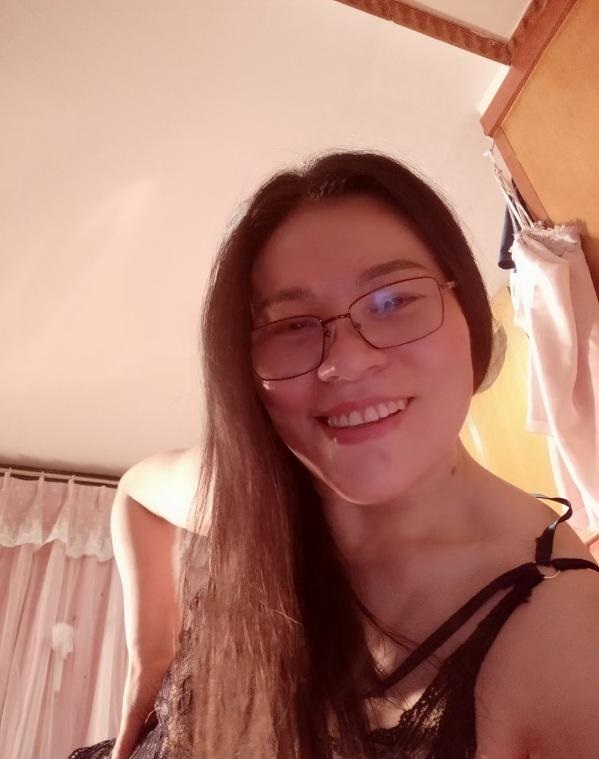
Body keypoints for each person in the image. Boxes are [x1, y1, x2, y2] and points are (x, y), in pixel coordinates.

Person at [69, 151, 599, 759]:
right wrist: (152, 656)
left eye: (393, 301)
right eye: (292, 325)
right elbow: (137, 493)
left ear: (471, 316)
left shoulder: (566, 639)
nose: (345, 362)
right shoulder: (261, 496)